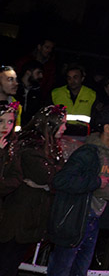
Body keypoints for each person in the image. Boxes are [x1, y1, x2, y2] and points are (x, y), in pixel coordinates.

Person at [46, 105, 109, 276]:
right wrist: (96, 182)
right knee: (62, 268)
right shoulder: (88, 152)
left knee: (80, 269)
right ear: (107, 128)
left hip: (95, 219)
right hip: (78, 218)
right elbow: (61, 180)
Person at [0, 105, 68, 275]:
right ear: (49, 125)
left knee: (11, 262)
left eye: (10, 121)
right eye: (62, 124)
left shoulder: (15, 145)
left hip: (27, 217)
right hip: (16, 215)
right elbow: (48, 176)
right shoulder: (29, 145)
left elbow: (58, 177)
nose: (6, 126)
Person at [0, 100, 20, 276]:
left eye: (10, 121)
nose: (6, 126)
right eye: (1, 121)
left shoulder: (11, 146)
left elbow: (16, 178)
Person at [51, 65, 96, 133]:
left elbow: (95, 117)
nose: (72, 81)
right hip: (60, 131)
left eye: (75, 77)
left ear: (82, 78)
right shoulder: (56, 93)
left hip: (82, 133)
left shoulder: (91, 94)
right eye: (69, 78)